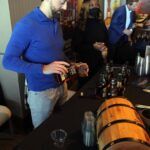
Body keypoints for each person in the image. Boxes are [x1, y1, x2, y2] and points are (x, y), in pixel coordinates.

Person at [3, 0, 89, 128]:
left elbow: (58, 54)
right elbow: (8, 61)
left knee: (61, 123)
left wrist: (74, 66)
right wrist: (43, 68)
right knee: (42, 134)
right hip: (41, 93)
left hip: (62, 85)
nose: (65, 7)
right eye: (62, 2)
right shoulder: (26, 24)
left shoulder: (55, 22)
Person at [72, 0, 108, 88]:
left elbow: (106, 39)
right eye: (91, 5)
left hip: (99, 63)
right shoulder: (81, 25)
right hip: (85, 65)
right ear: (86, 8)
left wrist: (104, 47)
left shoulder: (101, 23)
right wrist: (92, 46)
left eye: (96, 5)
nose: (95, 7)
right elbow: (75, 47)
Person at [108, 0, 138, 65]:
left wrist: (132, 26)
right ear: (129, 4)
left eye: (136, 5)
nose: (136, 7)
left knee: (119, 57)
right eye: (134, 5)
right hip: (114, 38)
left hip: (122, 37)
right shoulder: (120, 11)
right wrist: (123, 30)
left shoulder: (132, 11)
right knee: (111, 58)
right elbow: (113, 24)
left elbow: (128, 22)